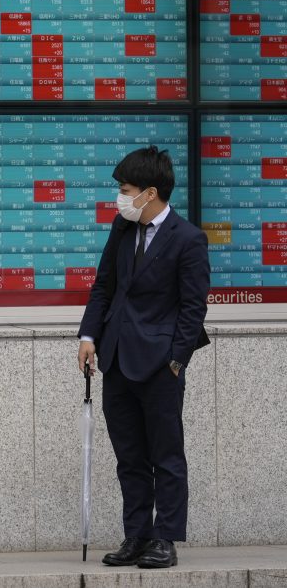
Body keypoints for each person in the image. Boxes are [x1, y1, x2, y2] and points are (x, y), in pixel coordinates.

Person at [77, 145, 210, 569]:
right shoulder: (122, 228)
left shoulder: (188, 239)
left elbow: (193, 307)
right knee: (129, 456)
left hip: (160, 365)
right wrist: (87, 336)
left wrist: (177, 360)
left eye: (126, 188)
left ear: (150, 192)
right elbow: (104, 287)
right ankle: (137, 534)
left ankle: (166, 538)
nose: (120, 196)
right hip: (115, 359)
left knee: (166, 455)